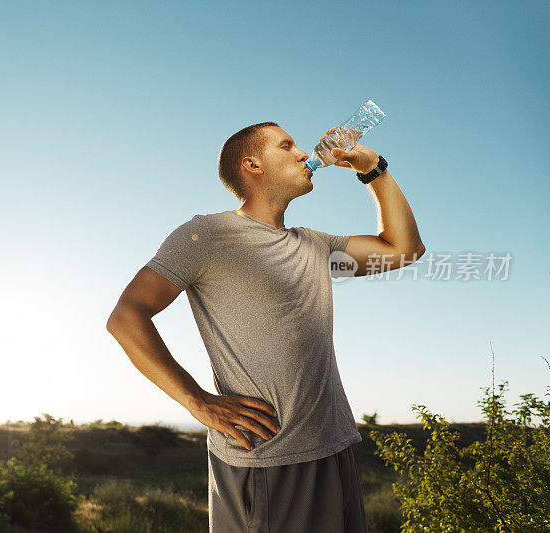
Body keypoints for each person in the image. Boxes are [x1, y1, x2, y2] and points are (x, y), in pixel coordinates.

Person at [105, 122, 426, 532]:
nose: (301, 152)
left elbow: (404, 250)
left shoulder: (314, 244)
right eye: (286, 145)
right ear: (252, 164)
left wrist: (374, 168)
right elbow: (126, 316)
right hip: (269, 460)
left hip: (333, 447)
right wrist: (196, 401)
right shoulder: (206, 235)